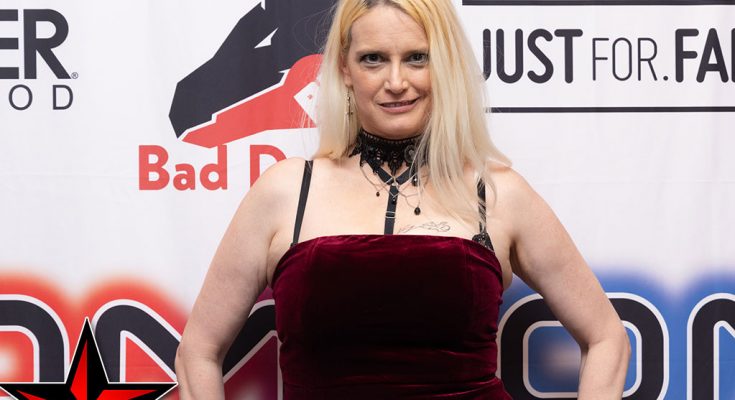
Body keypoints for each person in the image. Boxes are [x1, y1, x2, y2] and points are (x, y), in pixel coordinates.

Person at [175, 0, 631, 398]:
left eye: (417, 58)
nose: (396, 81)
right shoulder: (286, 191)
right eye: (373, 59)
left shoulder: (497, 192)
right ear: (344, 69)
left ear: (445, 65)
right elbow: (198, 352)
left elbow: (606, 338)